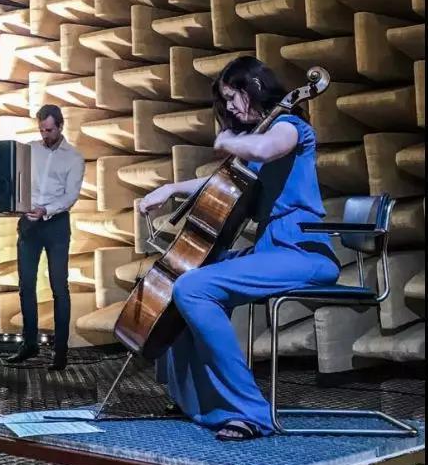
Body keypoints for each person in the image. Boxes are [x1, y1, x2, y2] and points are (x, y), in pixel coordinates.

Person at [139, 57, 340, 441]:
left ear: (254, 88)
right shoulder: (256, 141)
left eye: (233, 97)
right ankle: (197, 402)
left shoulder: (289, 126)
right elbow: (222, 184)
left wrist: (230, 141)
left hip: (304, 253)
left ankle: (251, 412)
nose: (229, 108)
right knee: (182, 278)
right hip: (271, 251)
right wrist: (170, 189)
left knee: (194, 288)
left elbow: (265, 149)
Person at [5, 105, 85, 371]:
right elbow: (17, 179)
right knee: (26, 285)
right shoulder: (29, 150)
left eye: (49, 130)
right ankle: (29, 344)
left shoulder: (74, 158)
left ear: (60, 126)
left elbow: (70, 196)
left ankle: (60, 352)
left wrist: (46, 210)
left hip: (56, 225)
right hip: (29, 224)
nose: (45, 134)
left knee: (59, 288)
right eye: (41, 130)